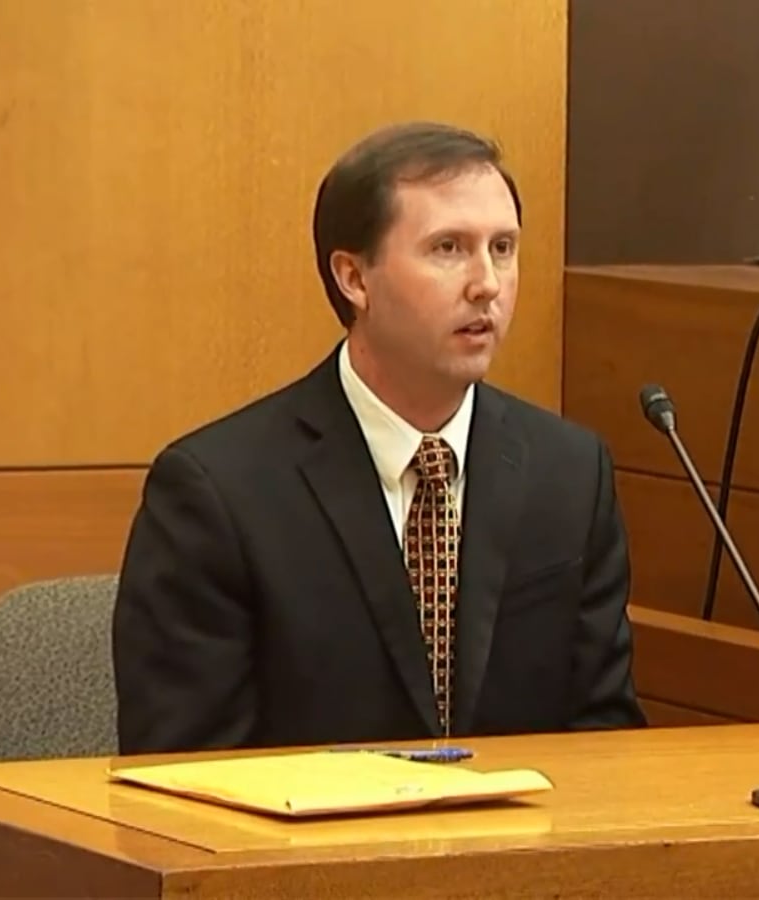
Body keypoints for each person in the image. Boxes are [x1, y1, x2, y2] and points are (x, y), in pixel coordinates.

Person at [112, 122, 646, 754]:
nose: (488, 284)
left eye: (502, 248)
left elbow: (605, 743)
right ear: (354, 279)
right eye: (449, 248)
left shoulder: (569, 474)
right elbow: (184, 768)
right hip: (305, 847)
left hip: (521, 844)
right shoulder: (218, 493)